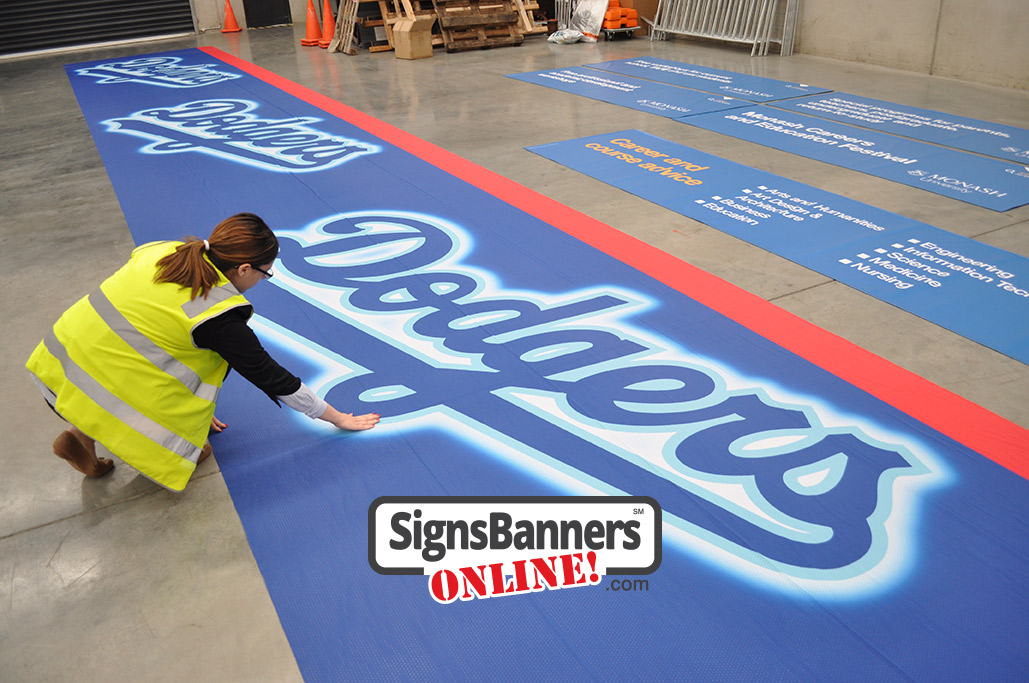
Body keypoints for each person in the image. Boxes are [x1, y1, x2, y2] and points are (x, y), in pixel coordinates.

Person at [26, 212, 379, 491]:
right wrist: (337, 417)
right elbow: (271, 376)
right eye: (265, 273)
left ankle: (79, 436)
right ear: (244, 269)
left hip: (57, 366)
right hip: (103, 380)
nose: (263, 279)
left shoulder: (164, 250)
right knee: (196, 449)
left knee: (164, 351)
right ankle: (134, 433)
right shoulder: (217, 317)